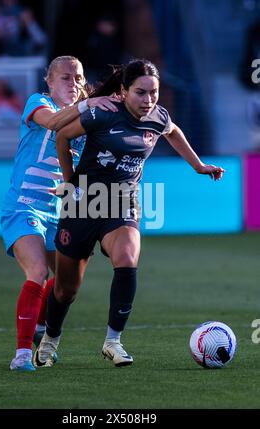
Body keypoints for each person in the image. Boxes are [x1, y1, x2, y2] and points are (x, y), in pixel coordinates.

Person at [33, 59, 225, 369]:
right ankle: (49, 340)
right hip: (83, 204)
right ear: (123, 92)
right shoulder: (102, 113)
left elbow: (173, 132)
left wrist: (199, 166)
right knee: (66, 289)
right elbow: (62, 136)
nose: (149, 100)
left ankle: (113, 341)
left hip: (121, 203)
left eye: (154, 92)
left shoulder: (157, 117)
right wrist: (69, 181)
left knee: (127, 255)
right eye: (141, 93)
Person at [0, 55, 118, 371]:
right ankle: (22, 354)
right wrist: (91, 104)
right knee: (38, 272)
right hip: (24, 207)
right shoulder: (38, 103)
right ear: (49, 82)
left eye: (78, 77)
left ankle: (40, 326)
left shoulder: (86, 120)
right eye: (65, 77)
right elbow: (53, 123)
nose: (73, 82)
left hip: (63, 214)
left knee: (66, 286)